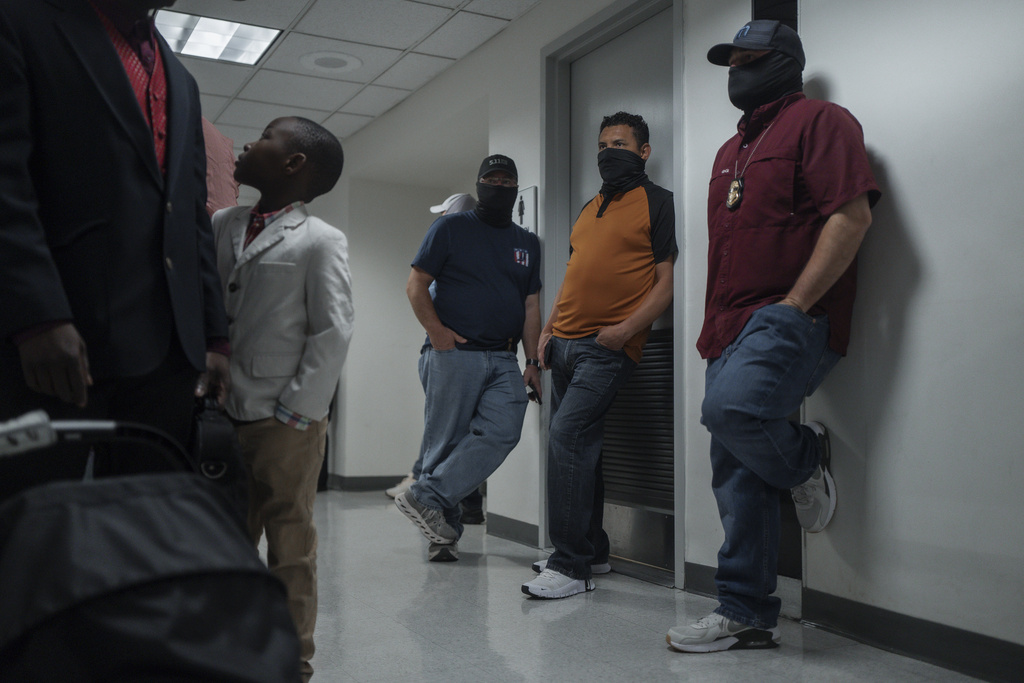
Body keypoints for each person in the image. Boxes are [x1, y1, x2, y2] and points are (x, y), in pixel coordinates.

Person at [666, 20, 880, 653]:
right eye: (728, 62)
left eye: (748, 59)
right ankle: (747, 612)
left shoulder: (823, 122)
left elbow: (852, 214)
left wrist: (795, 305)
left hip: (790, 316)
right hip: (726, 325)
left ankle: (806, 458)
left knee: (728, 410)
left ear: (784, 62)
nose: (735, 71)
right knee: (735, 473)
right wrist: (711, 330)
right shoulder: (729, 151)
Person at [0, 0, 229, 501]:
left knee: (142, 530)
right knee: (29, 523)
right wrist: (36, 315)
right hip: (55, 342)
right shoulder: (21, 21)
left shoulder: (181, 79)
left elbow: (190, 218)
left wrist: (214, 337)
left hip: (166, 356)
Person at [211, 116, 353, 681]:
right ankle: (226, 650)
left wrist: (299, 410)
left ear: (294, 164)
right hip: (222, 411)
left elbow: (334, 330)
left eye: (265, 137)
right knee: (225, 540)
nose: (249, 143)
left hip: (285, 420)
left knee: (290, 544)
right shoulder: (223, 222)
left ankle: (293, 662)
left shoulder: (320, 240)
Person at [522, 112, 677, 599]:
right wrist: (547, 331)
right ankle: (594, 548)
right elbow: (573, 276)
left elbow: (665, 283)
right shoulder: (589, 209)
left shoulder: (658, 202)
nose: (609, 151)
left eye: (621, 143)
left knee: (567, 439)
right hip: (563, 345)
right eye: (603, 144)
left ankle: (569, 567)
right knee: (582, 448)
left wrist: (625, 332)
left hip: (604, 349)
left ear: (643, 151)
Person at [396, 155, 541, 563]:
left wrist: (532, 361)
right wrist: (438, 334)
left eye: (506, 178)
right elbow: (416, 284)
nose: (498, 184)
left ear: (515, 186)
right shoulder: (450, 227)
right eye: (490, 178)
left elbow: (531, 306)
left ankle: (422, 496)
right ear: (479, 185)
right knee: (444, 443)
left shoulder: (527, 243)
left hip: (504, 357)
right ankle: (444, 535)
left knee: (503, 429)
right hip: (453, 353)